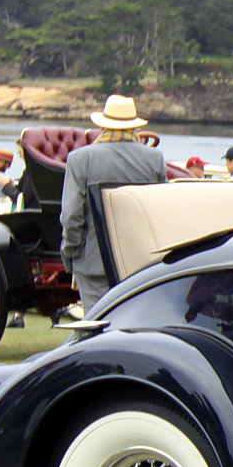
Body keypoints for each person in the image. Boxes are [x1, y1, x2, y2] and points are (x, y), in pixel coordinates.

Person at [60, 95, 167, 310]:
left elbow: (72, 215)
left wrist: (70, 253)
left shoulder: (81, 159)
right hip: (141, 264)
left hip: (93, 263)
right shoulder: (154, 159)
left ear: (103, 125)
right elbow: (160, 212)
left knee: (97, 328)